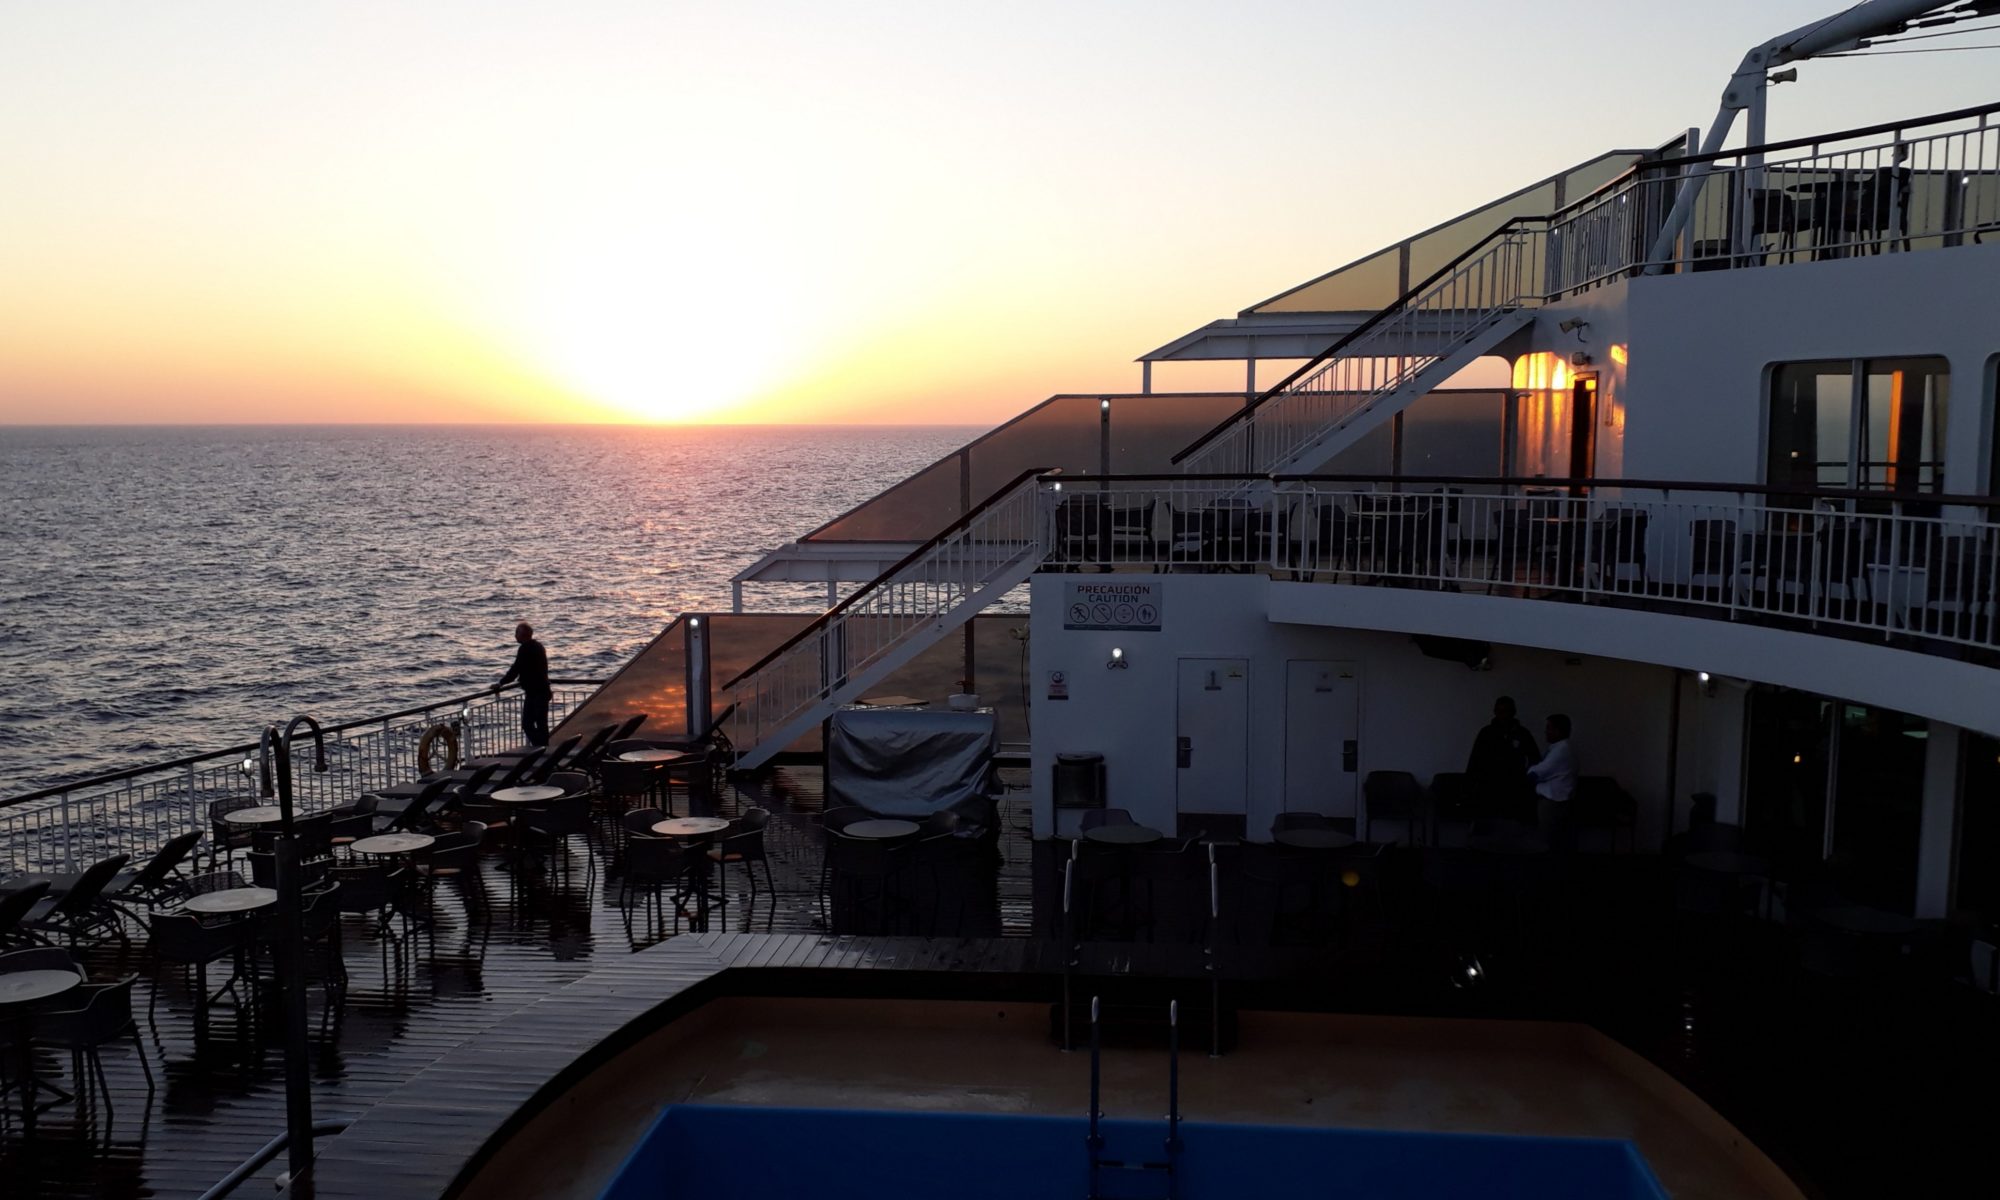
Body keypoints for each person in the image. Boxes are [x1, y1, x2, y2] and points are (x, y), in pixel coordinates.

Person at [1465, 696, 1540, 817]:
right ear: (1495, 712)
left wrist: (1529, 781)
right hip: (1489, 788)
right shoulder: (1486, 733)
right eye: (1500, 711)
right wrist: (1470, 787)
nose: (1503, 715)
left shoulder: (1522, 733)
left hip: (1515, 788)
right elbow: (1475, 760)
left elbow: (1534, 758)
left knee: (1513, 826)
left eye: (1507, 711)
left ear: (1513, 712)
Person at [495, 622, 551, 747]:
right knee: (542, 724)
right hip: (543, 690)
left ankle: (540, 748)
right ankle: (544, 749)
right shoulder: (538, 646)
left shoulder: (525, 648)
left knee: (527, 724)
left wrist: (500, 683)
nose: (515, 636)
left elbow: (515, 669)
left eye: (516, 633)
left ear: (523, 635)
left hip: (535, 693)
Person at [1528, 713, 1577, 850]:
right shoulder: (1560, 748)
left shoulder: (1561, 750)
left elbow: (1540, 771)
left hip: (1553, 803)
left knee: (1547, 841)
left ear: (1558, 730)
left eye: (1549, 728)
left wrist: (1528, 772)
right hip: (1557, 802)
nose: (1546, 731)